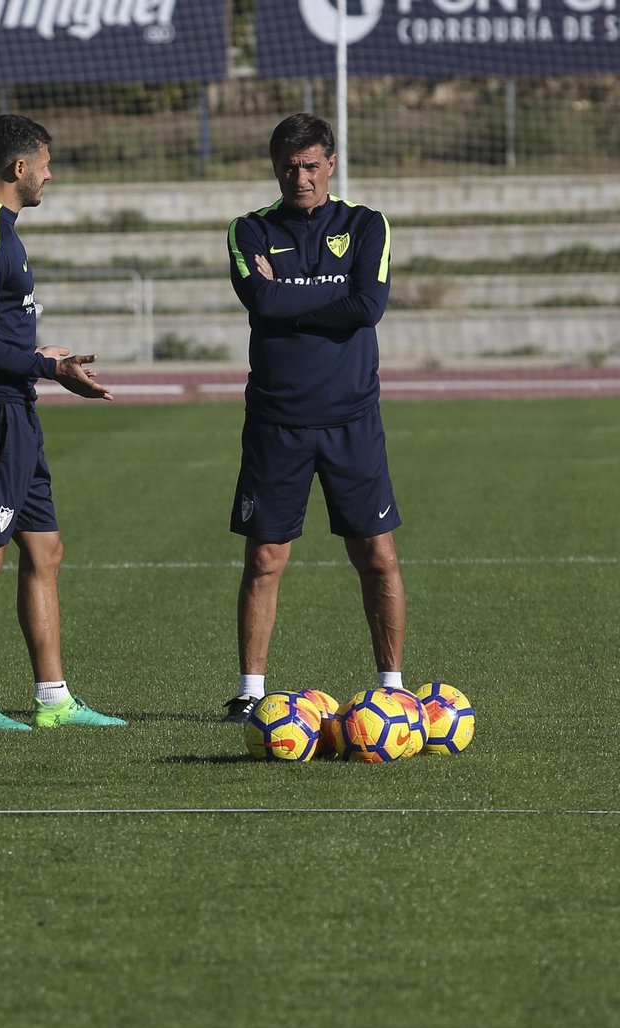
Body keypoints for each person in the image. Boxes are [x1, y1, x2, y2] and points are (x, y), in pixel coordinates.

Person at [0, 115, 128, 732]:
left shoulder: (4, 231)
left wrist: (45, 361)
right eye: (45, 163)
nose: (51, 173)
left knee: (45, 550)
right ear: (18, 168)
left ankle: (54, 700)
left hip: (17, 409)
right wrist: (46, 367)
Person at [222, 113, 402, 721]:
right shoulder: (247, 230)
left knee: (377, 555)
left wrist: (287, 300)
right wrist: (329, 296)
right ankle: (249, 693)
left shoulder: (366, 224)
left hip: (353, 420)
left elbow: (369, 306)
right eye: (289, 165)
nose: (300, 176)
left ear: (330, 163)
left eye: (310, 164)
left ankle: (393, 687)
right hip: (277, 422)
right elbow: (264, 298)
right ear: (276, 167)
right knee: (265, 559)